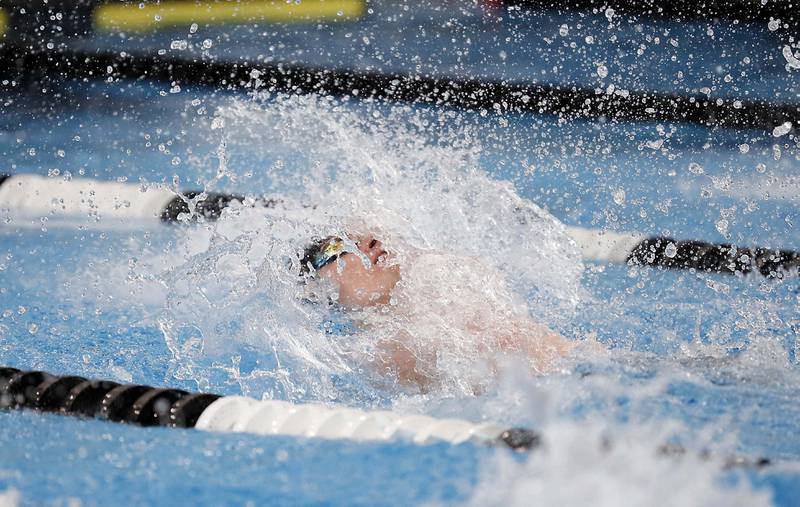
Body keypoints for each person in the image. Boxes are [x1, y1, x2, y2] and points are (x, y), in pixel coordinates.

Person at [301, 233, 578, 393]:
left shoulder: (434, 283)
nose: (368, 242)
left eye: (357, 237)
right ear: (323, 291)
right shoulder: (370, 356)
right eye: (338, 247)